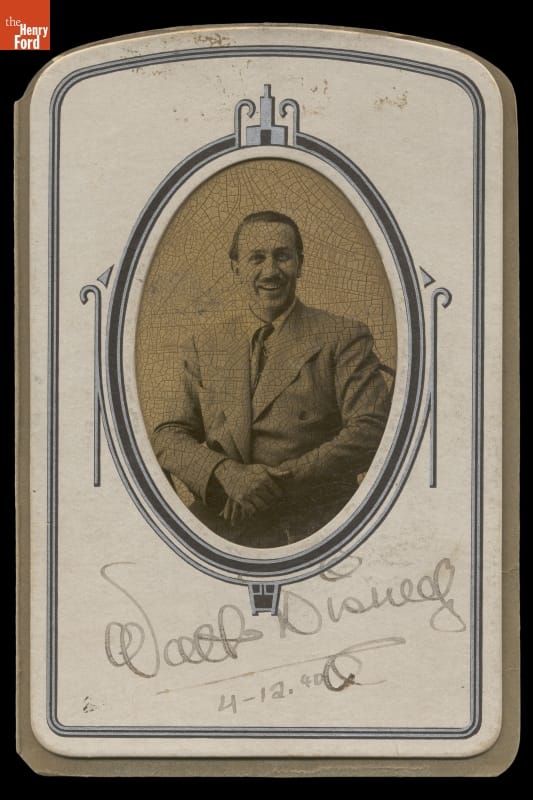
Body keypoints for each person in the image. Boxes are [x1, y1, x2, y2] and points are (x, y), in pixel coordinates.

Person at [151, 211, 391, 548]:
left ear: (300, 263)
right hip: (221, 520)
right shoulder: (205, 345)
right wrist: (227, 474)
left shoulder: (343, 336)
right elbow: (167, 435)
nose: (270, 272)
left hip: (314, 521)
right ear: (235, 268)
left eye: (282, 256)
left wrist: (270, 483)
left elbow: (371, 431)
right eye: (256, 258)